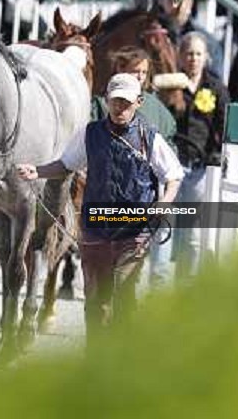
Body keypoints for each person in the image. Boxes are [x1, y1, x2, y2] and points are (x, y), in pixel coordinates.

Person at [17, 73, 183, 347]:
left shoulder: (149, 137)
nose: (119, 108)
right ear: (106, 100)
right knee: (96, 301)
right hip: (95, 229)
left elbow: (174, 175)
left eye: (126, 103)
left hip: (135, 230)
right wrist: (38, 171)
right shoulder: (90, 133)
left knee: (122, 291)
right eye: (115, 101)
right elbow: (65, 165)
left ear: (139, 102)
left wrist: (164, 203)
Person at [90, 46, 178, 289]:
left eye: (144, 72)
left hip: (141, 200)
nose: (140, 77)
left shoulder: (157, 109)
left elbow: (170, 153)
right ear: (120, 71)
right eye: (135, 71)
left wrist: (163, 194)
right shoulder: (99, 105)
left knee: (128, 276)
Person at [167, 32, 230, 280]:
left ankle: (184, 294)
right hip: (171, 167)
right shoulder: (170, 84)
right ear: (180, 57)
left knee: (191, 238)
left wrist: (216, 155)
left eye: (197, 54)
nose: (193, 58)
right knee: (164, 235)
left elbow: (224, 125)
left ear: (206, 58)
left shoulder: (215, 87)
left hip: (200, 169)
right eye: (188, 53)